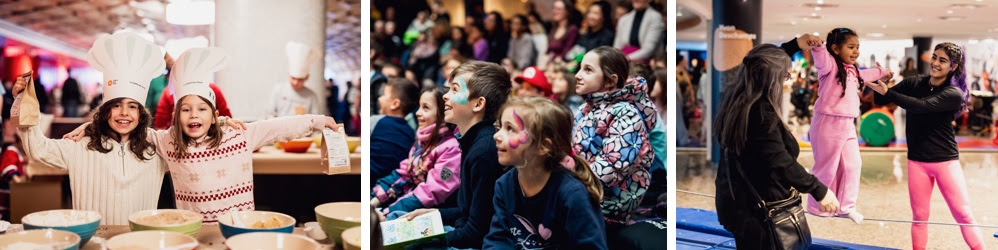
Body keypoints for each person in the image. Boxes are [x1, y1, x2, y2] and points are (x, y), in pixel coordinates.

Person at [13, 32, 169, 224]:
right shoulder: (81, 146)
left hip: (139, 240)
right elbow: (38, 149)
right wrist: (24, 102)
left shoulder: (157, 149)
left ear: (141, 114)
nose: (124, 113)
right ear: (105, 111)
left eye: (132, 106)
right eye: (116, 105)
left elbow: (193, 143)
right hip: (94, 239)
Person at [713, 44, 839, 248]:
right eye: (784, 77)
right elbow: (780, 161)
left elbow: (762, 58)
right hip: (759, 212)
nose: (785, 82)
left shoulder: (735, 99)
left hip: (737, 202)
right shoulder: (761, 113)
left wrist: (796, 43)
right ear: (771, 77)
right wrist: (819, 190)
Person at [868, 43, 984, 250]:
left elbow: (922, 106)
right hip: (917, 161)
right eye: (934, 57)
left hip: (945, 161)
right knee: (920, 217)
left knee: (963, 214)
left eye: (942, 60)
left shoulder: (953, 93)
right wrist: (881, 82)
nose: (935, 63)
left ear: (953, 66)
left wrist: (889, 92)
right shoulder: (915, 82)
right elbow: (880, 98)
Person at [399, 61, 512, 248]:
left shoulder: (484, 151)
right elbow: (467, 211)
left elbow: (477, 232)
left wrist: (426, 241)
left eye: (455, 89)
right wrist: (434, 214)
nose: (446, 96)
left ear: (478, 104)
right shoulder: (471, 141)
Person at [793, 28, 890, 223]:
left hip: (847, 124)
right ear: (836, 49)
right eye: (851, 47)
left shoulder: (853, 70)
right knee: (826, 167)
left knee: (854, 165)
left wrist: (883, 72)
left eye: (858, 48)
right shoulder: (829, 66)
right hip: (827, 123)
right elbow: (821, 58)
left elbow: (867, 74)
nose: (856, 52)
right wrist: (819, 47)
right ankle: (816, 205)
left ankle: (846, 206)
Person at [483, 97, 606, 249]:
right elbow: (498, 239)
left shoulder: (573, 194)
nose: (496, 136)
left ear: (543, 146)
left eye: (510, 129)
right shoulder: (504, 185)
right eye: (500, 127)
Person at [571, 46, 657, 244]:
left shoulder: (627, 114)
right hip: (583, 191)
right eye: (580, 68)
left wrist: (567, 188)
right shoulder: (584, 108)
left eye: (588, 70)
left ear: (610, 81)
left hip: (611, 203)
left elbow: (610, 168)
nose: (577, 75)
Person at [372, 86, 461, 217]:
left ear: (443, 113)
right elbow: (404, 175)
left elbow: (431, 192)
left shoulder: (452, 148)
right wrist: (373, 201)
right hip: (404, 206)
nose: (418, 113)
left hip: (426, 216)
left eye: (426, 108)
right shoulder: (423, 141)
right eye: (419, 107)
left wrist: (387, 213)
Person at [371, 78, 421, 183]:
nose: (380, 98)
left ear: (395, 104)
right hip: (391, 183)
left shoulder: (375, 120)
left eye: (384, 95)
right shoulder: (411, 132)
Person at [267, 41, 323, 118]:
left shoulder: (311, 96)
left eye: (300, 79)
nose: (295, 82)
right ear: (288, 75)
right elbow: (270, 113)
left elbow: (315, 119)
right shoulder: (279, 89)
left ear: (307, 78)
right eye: (293, 78)